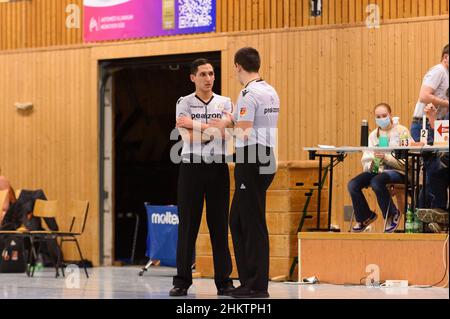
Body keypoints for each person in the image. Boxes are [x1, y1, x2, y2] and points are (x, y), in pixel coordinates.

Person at [169, 58, 234, 297]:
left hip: (217, 168)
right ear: (193, 77)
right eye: (203, 74)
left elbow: (229, 135)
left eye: (211, 73)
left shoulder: (225, 102)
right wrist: (213, 130)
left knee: (219, 226)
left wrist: (196, 125)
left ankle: (224, 281)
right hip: (191, 169)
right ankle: (182, 281)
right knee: (188, 227)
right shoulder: (183, 102)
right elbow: (187, 139)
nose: (209, 78)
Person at [226, 47, 280, 298]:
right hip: (266, 154)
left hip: (251, 158)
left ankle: (258, 285)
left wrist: (218, 128)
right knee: (237, 219)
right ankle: (248, 279)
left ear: (238, 66)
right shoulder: (270, 90)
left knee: (252, 222)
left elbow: (244, 132)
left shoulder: (248, 93)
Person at [348, 103, 412, 233]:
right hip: (378, 169)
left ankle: (391, 214)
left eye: (384, 115)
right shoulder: (373, 135)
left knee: (376, 182)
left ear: (390, 115)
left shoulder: (401, 131)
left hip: (398, 170)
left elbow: (407, 160)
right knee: (353, 184)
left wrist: (386, 158)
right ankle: (365, 216)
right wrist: (371, 163)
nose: (381, 119)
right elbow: (367, 158)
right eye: (378, 116)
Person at [411, 44, 449, 144]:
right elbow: (424, 96)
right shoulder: (439, 71)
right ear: (445, 57)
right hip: (424, 123)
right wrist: (447, 103)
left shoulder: (446, 73)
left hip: (437, 123)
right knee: (431, 159)